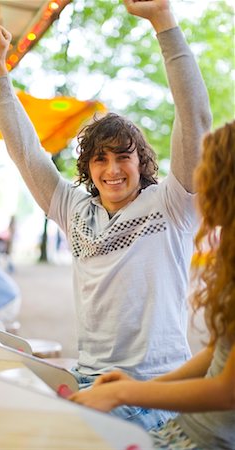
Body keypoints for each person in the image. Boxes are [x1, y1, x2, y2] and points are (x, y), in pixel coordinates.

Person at [0, 0, 212, 429]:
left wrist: (164, 21)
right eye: (99, 159)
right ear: (87, 167)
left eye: (123, 157)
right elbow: (25, 151)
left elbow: (195, 119)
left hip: (157, 387)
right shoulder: (73, 207)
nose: (111, 170)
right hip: (91, 379)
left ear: (141, 161)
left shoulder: (173, 202)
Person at [69, 121, 235, 449]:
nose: (194, 186)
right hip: (184, 430)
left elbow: (228, 390)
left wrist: (126, 392)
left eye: (204, 175)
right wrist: (142, 387)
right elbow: (218, 352)